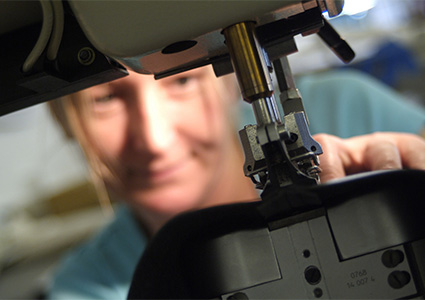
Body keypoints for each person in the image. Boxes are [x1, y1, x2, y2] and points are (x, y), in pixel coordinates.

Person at [47, 65, 425, 299]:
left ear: (230, 83)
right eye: (106, 98)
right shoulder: (87, 289)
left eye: (182, 81)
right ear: (63, 121)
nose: (155, 141)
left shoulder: (351, 110)